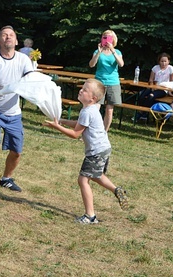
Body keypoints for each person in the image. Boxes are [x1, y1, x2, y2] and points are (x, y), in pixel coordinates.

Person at [43, 79, 129, 224]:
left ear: (93, 98)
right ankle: (116, 190)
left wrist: (57, 127)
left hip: (96, 151)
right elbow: (79, 124)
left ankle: (90, 216)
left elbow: (75, 134)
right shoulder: (92, 108)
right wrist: (62, 121)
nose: (81, 91)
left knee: (83, 180)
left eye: (85, 90)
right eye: (82, 88)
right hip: (104, 148)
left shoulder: (87, 111)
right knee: (96, 175)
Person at [0, 25, 35, 196]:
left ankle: (6, 179)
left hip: (13, 113)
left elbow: (30, 80)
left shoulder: (24, 60)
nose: (8, 37)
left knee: (17, 151)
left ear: (16, 41)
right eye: (4, 35)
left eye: (11, 35)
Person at [88, 29, 124, 131]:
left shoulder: (117, 52)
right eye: (104, 37)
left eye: (109, 37)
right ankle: (91, 130)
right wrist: (99, 52)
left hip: (113, 83)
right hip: (99, 82)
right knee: (95, 108)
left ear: (113, 40)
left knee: (109, 110)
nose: (107, 40)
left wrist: (112, 50)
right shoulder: (97, 51)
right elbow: (91, 65)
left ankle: (104, 132)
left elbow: (121, 64)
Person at [136, 53, 173, 118]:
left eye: (165, 61)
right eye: (162, 61)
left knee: (151, 96)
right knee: (141, 94)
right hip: (154, 87)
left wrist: (170, 92)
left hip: (164, 89)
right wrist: (152, 87)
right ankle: (142, 112)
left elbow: (172, 82)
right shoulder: (155, 68)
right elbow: (151, 80)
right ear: (159, 61)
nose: (163, 63)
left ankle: (143, 113)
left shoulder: (170, 68)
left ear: (168, 61)